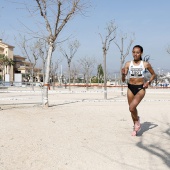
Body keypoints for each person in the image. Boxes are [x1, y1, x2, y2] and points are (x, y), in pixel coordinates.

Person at [122, 45, 156, 136]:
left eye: (137, 52)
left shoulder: (145, 64)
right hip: (130, 87)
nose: (135, 54)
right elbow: (123, 79)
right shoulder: (128, 64)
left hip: (140, 88)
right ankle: (135, 127)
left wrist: (148, 82)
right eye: (133, 52)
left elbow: (153, 74)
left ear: (141, 53)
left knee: (132, 107)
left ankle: (137, 121)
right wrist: (123, 74)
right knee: (132, 110)